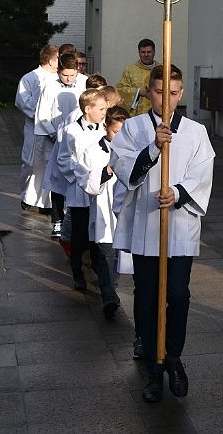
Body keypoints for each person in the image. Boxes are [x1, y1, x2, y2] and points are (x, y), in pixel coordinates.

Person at [111, 64, 215, 403]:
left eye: (172, 93)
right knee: (147, 296)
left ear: (180, 93)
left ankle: (173, 356)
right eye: (158, 92)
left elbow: (203, 173)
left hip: (180, 225)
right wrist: (153, 149)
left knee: (178, 295)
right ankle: (154, 369)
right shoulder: (133, 127)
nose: (165, 99)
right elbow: (124, 169)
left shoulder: (196, 131)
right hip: (146, 224)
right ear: (149, 91)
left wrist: (180, 193)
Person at [79, 104, 130, 320]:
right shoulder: (93, 151)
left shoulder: (133, 150)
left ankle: (112, 291)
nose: (119, 138)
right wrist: (104, 173)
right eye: (115, 132)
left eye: (123, 133)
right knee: (106, 257)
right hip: (104, 214)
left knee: (120, 260)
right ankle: (109, 297)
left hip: (126, 215)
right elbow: (85, 181)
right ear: (105, 126)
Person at [56, 89, 109, 291]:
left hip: (101, 190)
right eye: (101, 109)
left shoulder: (105, 129)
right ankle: (77, 272)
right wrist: (81, 174)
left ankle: (97, 267)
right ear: (87, 109)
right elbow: (63, 159)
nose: (104, 112)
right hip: (79, 192)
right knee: (79, 235)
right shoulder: (71, 131)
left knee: (98, 234)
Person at [28, 52, 86, 230]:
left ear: (77, 71)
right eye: (64, 75)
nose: (68, 79)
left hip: (79, 140)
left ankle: (74, 219)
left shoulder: (84, 83)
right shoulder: (50, 86)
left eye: (72, 75)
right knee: (57, 181)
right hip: (55, 139)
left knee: (78, 178)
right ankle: (57, 220)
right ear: (58, 71)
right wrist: (55, 135)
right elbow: (43, 114)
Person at [16, 44, 58, 209]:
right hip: (35, 127)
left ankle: (47, 203)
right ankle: (27, 196)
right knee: (30, 163)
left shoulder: (60, 78)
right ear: (50, 60)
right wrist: (42, 114)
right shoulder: (30, 78)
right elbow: (22, 102)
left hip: (54, 127)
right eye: (58, 58)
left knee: (50, 164)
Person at [116, 38, 157, 117]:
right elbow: (120, 89)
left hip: (157, 112)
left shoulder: (161, 70)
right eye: (143, 52)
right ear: (139, 53)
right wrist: (138, 92)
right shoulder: (130, 70)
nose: (146, 55)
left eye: (149, 52)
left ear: (154, 52)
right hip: (136, 115)